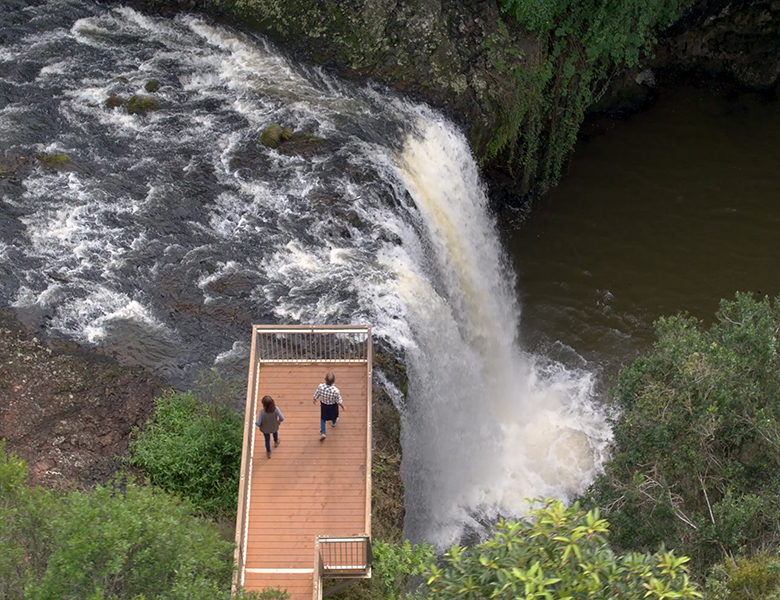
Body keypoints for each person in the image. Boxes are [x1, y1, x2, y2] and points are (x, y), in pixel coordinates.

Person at [312, 371, 345, 441]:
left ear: (325, 380)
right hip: (333, 406)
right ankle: (334, 423)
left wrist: (314, 399)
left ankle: (323, 432)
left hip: (324, 405)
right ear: (334, 381)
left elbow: (316, 394)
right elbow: (339, 400)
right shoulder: (336, 390)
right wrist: (342, 406)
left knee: (323, 418)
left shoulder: (321, 387)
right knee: (334, 415)